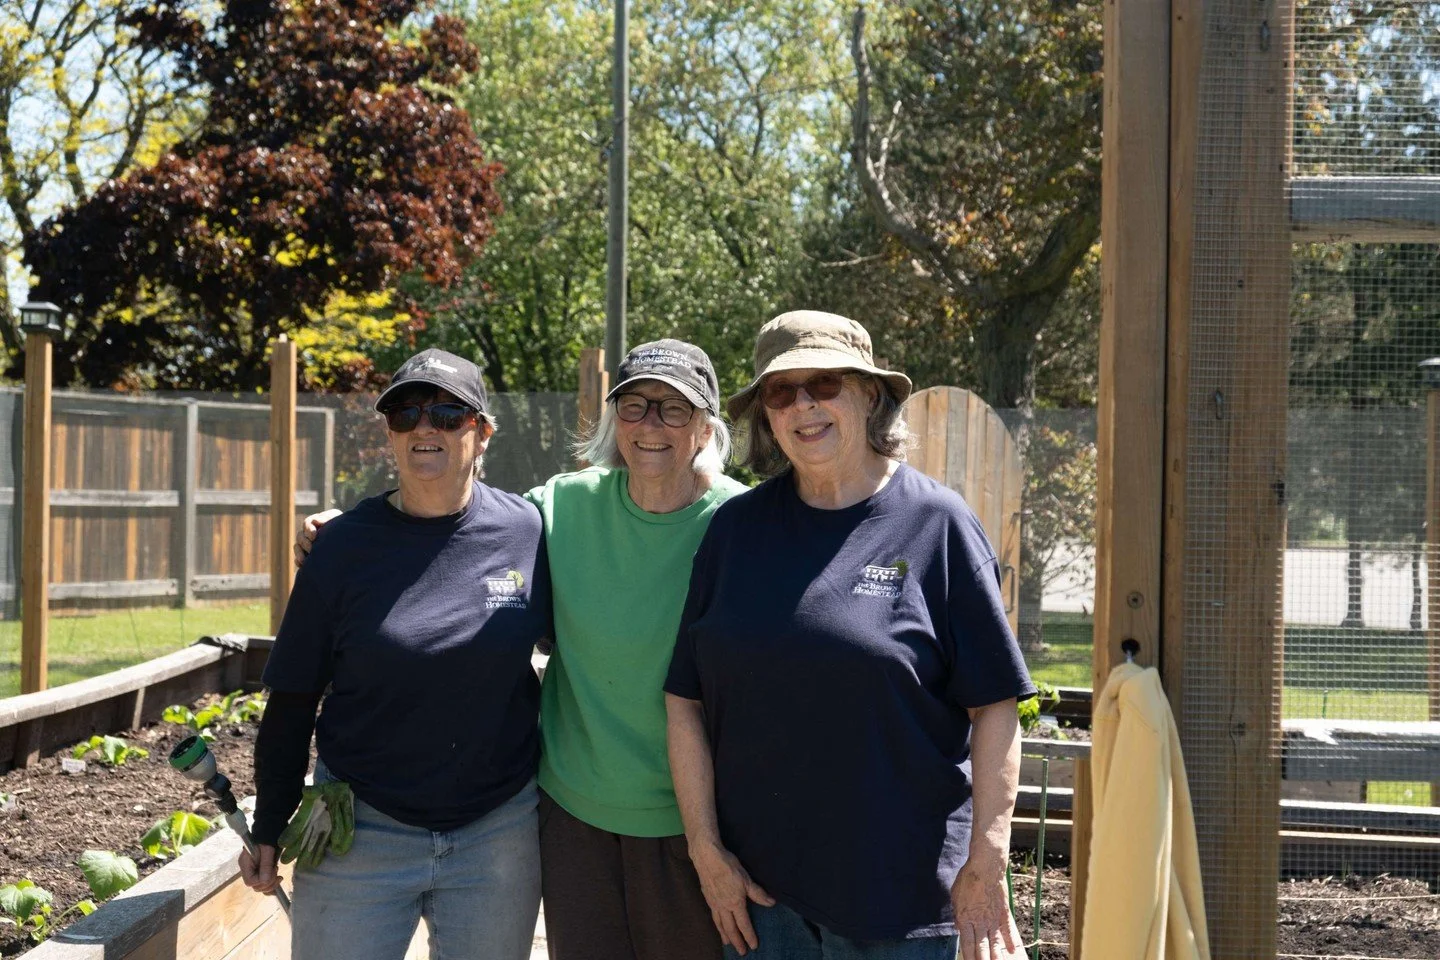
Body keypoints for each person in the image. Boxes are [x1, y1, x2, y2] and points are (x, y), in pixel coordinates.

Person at [296, 339, 748, 960]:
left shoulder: (742, 523)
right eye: (634, 405)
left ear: (705, 426)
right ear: (614, 419)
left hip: (694, 822)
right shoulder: (561, 508)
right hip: (574, 816)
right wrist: (347, 531)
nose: (651, 425)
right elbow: (457, 531)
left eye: (674, 409)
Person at [665, 311, 1036, 960]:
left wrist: (988, 857)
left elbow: (996, 707)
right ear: (766, 416)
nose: (803, 405)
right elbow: (683, 701)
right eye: (781, 391)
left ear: (870, 395)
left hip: (900, 899)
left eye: (825, 384)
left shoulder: (937, 525)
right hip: (761, 902)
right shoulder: (735, 532)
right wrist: (706, 851)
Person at [242, 348, 552, 960]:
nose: (423, 428)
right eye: (404, 414)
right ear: (389, 433)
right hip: (359, 829)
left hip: (496, 833)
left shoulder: (527, 531)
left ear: (482, 432)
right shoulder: (341, 548)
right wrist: (270, 822)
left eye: (447, 414)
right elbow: (294, 695)